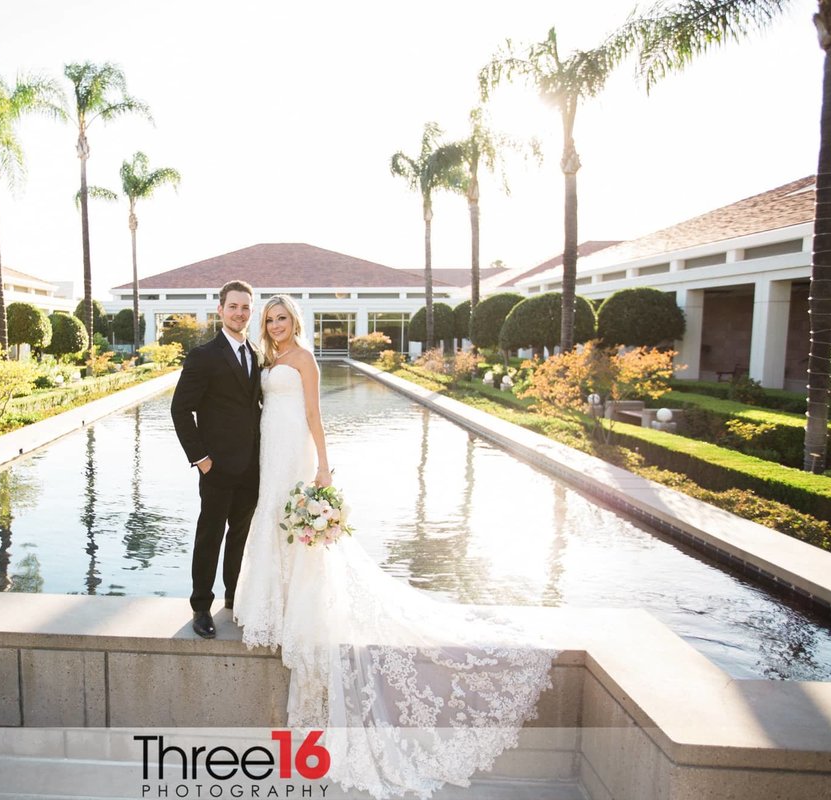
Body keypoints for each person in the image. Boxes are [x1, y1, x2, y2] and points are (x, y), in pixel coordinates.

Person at [233, 294, 557, 797]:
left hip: (295, 450)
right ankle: (270, 603)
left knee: (297, 533)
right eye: (268, 319)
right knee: (270, 521)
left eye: (281, 318)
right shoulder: (267, 358)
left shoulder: (303, 359)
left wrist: (322, 466)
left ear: (294, 321)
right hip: (268, 453)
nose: (274, 325)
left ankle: (296, 607)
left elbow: (315, 415)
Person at [170, 280, 262, 639]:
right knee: (210, 535)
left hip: (252, 467)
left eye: (245, 308)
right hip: (217, 467)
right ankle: (200, 607)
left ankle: (233, 598)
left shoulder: (255, 353)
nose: (239, 313)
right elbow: (180, 410)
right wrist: (202, 459)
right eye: (233, 306)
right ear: (220, 310)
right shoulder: (203, 356)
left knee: (240, 536)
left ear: (250, 312)